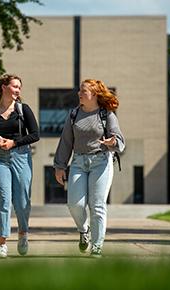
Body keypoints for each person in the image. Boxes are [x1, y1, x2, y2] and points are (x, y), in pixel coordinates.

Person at [53, 79, 125, 257]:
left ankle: (97, 245)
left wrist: (112, 142)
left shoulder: (106, 115)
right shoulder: (74, 114)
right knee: (74, 204)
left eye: (83, 91)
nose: (79, 93)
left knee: (97, 205)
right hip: (78, 162)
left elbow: (119, 139)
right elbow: (66, 142)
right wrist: (59, 166)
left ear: (94, 94)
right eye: (80, 91)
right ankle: (83, 230)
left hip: (101, 162)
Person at [0, 74, 40, 257]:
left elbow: (35, 135)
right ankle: (2, 243)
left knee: (22, 202)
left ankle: (23, 233)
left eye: (19, 88)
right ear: (4, 87)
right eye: (15, 86)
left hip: (21, 156)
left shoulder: (23, 110)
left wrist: (13, 143)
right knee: (2, 200)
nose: (18, 90)